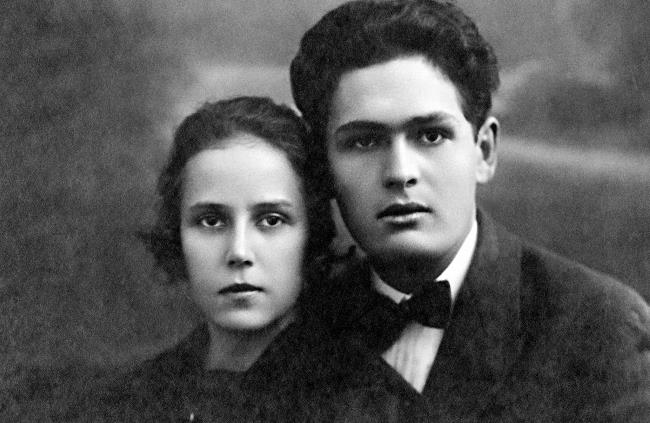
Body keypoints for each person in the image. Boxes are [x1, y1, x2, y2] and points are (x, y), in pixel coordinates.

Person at [290, 1, 650, 421]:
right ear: (323, 168)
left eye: (431, 136)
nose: (400, 173)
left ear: (484, 151)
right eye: (364, 142)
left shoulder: (600, 329)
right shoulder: (296, 324)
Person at [63, 96, 338, 422]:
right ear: (177, 234)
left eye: (271, 220)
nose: (239, 252)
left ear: (311, 232)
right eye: (211, 221)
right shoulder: (124, 404)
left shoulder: (357, 398)